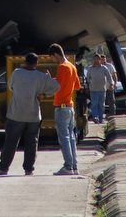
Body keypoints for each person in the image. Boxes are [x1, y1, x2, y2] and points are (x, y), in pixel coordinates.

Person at [0, 52, 58, 176]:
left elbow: (11, 87)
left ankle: (3, 168)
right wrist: (44, 93)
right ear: (36, 63)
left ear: (25, 61)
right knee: (32, 143)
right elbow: (56, 86)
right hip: (33, 115)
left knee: (11, 142)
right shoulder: (41, 76)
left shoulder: (17, 73)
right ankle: (29, 169)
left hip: (16, 114)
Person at [48, 43, 81, 176]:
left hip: (61, 107)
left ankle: (68, 166)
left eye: (52, 58)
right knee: (71, 137)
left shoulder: (62, 67)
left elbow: (57, 86)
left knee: (64, 138)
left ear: (56, 54)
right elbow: (77, 86)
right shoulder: (72, 66)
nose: (53, 61)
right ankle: (74, 166)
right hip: (70, 106)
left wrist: (49, 81)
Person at [86, 54, 113, 124]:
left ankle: (101, 118)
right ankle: (95, 117)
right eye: (95, 59)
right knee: (94, 104)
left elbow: (109, 77)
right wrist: (89, 83)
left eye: (97, 59)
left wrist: (111, 84)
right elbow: (87, 77)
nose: (96, 60)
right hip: (93, 90)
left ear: (100, 60)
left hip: (102, 90)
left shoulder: (104, 68)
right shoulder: (90, 68)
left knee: (101, 105)